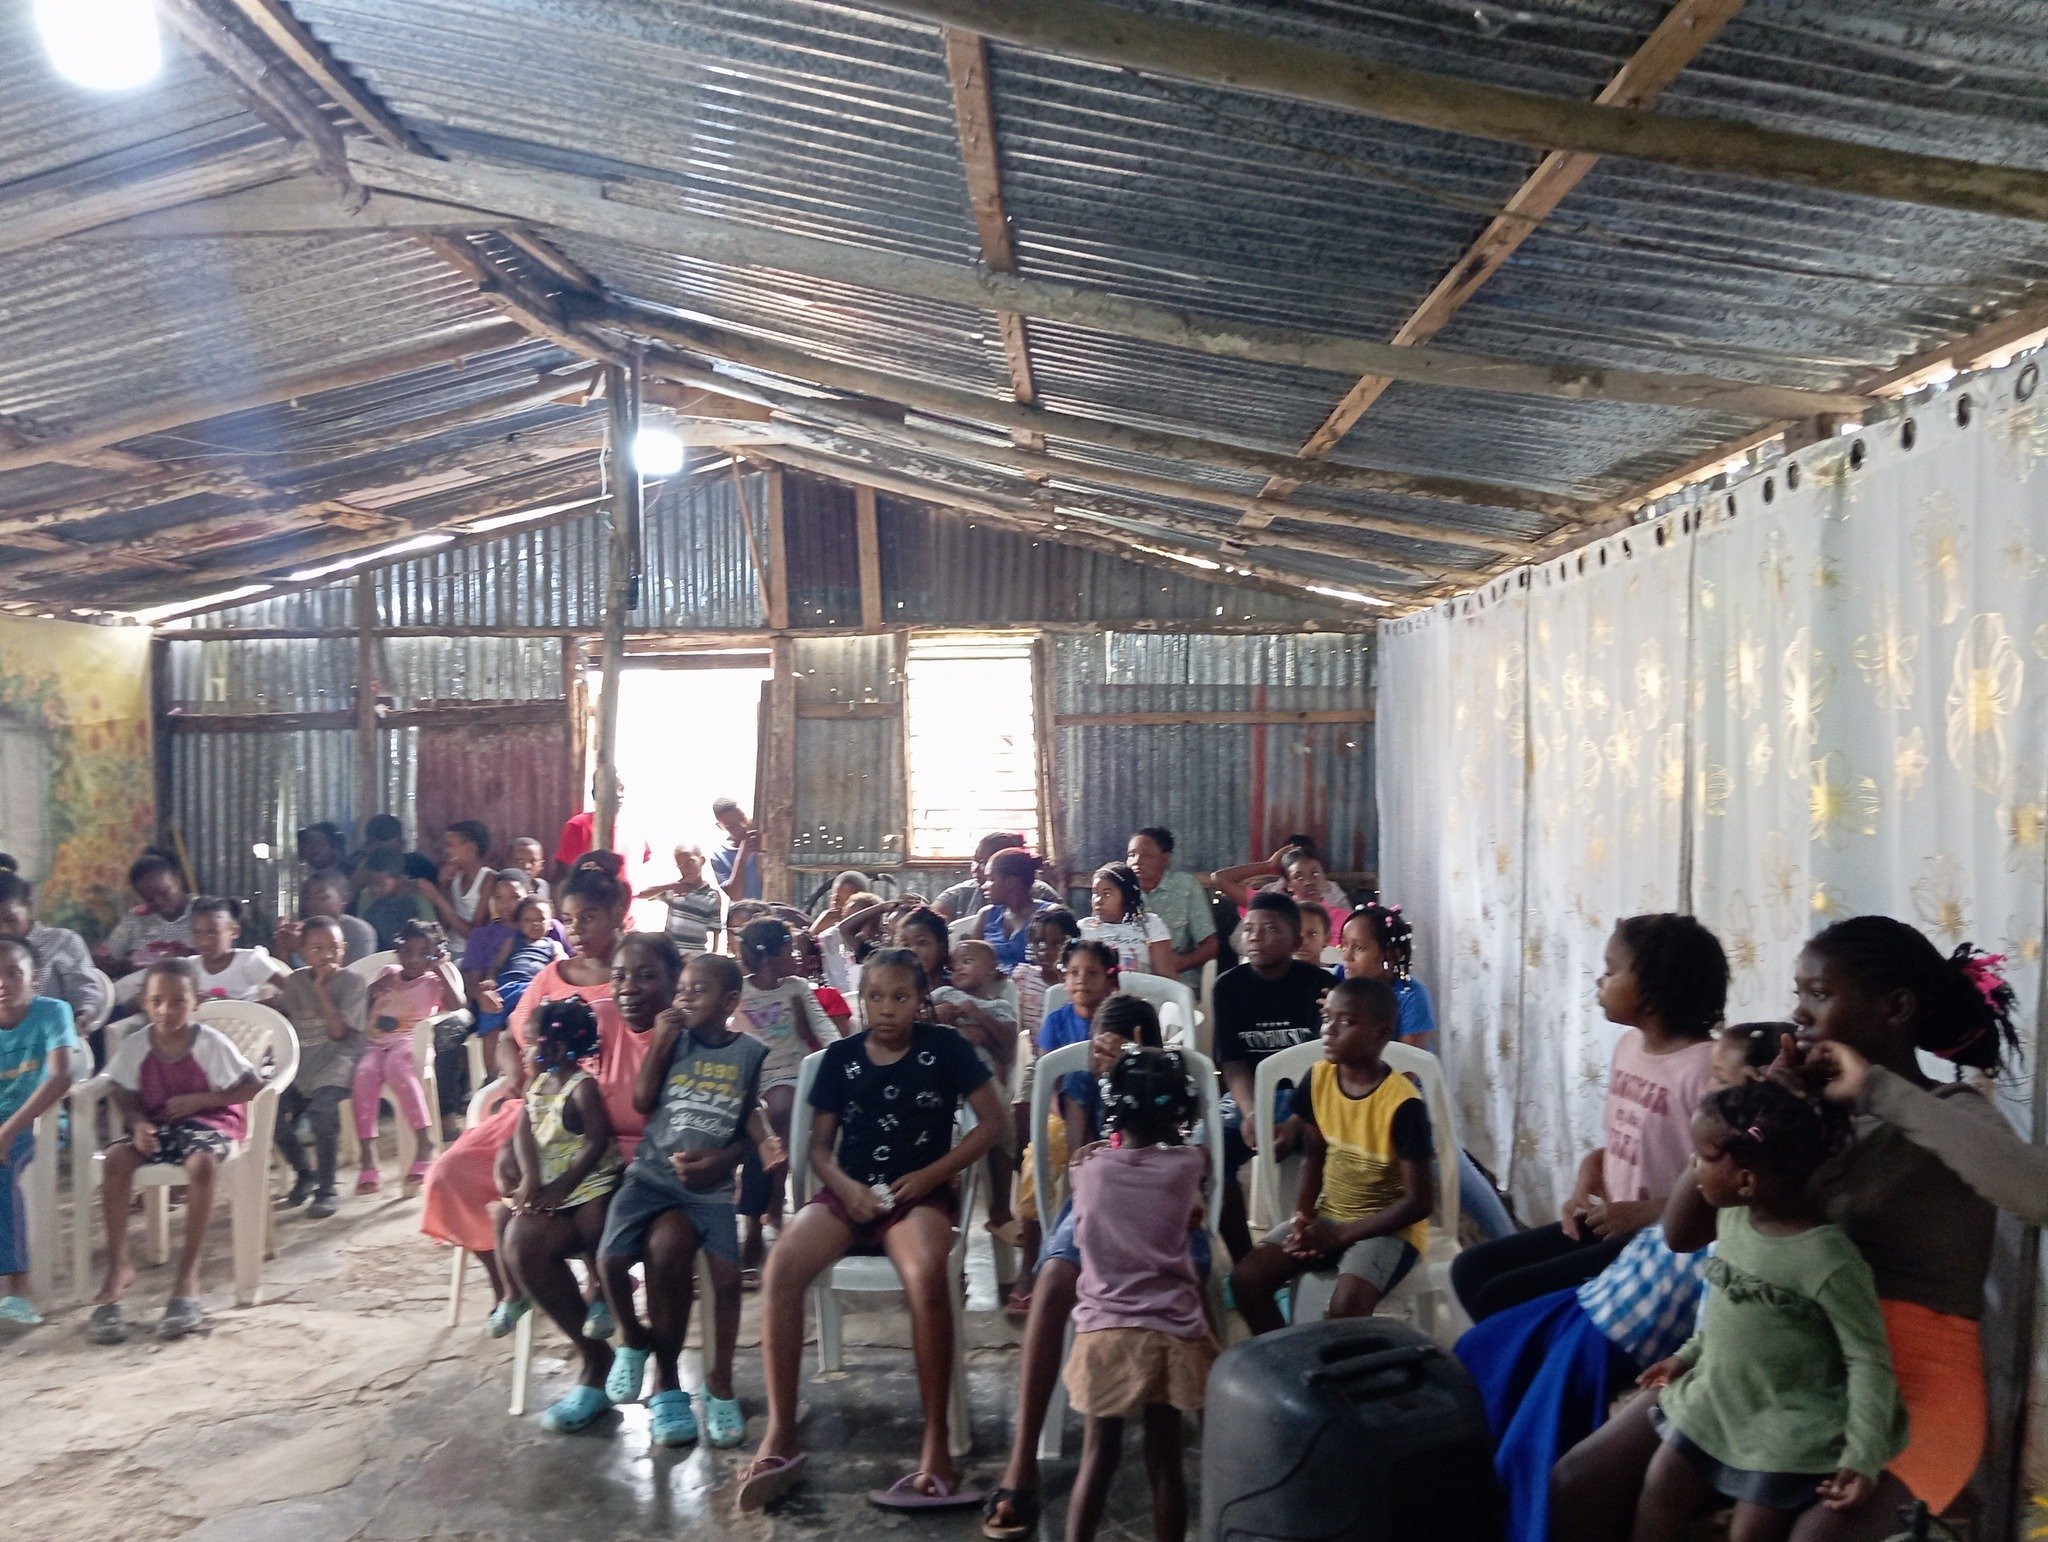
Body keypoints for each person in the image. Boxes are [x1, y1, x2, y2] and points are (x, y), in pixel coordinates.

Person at [1553, 919, 2048, 1542]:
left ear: (1896, 1008)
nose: (1798, 1014)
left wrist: (1877, 1091)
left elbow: (2036, 1195)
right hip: (1776, 1364)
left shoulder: (1950, 1111)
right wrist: (1745, 1117)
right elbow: (1682, 1234)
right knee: (1578, 1481)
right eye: (1799, 994)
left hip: (1911, 1384)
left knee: (1814, 1536)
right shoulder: (1798, 1116)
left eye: (1819, 993)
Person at [1458, 1023, 1779, 1542]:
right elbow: (1663, 1233)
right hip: (1598, 1299)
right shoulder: (1710, 1168)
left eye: (1722, 1080)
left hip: (1613, 1334)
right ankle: (1461, 1481)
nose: (1710, 1089)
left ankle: (1509, 1519)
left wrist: (1686, 1360)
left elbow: (1716, 1308)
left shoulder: (1743, 1202)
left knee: (1531, 1447)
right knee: (1481, 1348)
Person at [737, 947, 1005, 1513]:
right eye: (875, 997)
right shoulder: (841, 1057)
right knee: (781, 1268)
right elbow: (819, 1147)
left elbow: (993, 1123)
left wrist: (930, 1175)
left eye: (900, 997)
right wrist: (845, 1186)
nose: (886, 1009)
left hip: (919, 1196)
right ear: (861, 1000)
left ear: (921, 1000)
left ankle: (936, 1443)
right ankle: (781, 1435)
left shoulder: (948, 1049)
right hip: (848, 1193)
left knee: (926, 1277)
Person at [1632, 1080, 1904, 1539]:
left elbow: (1868, 1359)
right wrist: (1687, 1355)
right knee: (1660, 1486)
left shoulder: (1827, 1260)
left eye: (1702, 1158)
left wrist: (1862, 1456)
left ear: (1745, 1180)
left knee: (1749, 1533)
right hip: (1717, 1400)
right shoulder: (1733, 1218)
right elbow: (1732, 1310)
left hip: (1786, 1426)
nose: (1694, 1167)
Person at [1452, 913, 1727, 1322]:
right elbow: (1623, 1145)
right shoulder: (1629, 1047)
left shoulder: (1706, 1070)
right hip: (1616, 1223)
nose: (1600, 981)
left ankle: (1537, 1353)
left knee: (1502, 1296)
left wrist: (1642, 1214)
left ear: (1653, 990)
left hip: (1663, 1245)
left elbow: (1720, 1189)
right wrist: (1587, 1178)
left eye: (1611, 972)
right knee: (1470, 1270)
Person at [981, 995, 1184, 1541]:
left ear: (1139, 1040)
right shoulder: (1087, 1081)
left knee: (1182, 1270)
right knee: (1052, 1281)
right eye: (1095, 1044)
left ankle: (1205, 1425)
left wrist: (1138, 1072)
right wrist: (1103, 1089)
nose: (1099, 1055)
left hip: (1164, 1201)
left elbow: (1190, 1161)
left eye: (1109, 1045)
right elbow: (1077, 1165)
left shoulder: (1173, 1078)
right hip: (1098, 1194)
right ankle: (1021, 1465)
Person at [418, 869, 643, 1313]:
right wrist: (515, 1075)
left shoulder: (637, 978)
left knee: (589, 1196)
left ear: (617, 913)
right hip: (540, 1113)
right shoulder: (551, 977)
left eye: (589, 918)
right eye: (569, 920)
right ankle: (509, 1285)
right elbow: (510, 1036)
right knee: (449, 1175)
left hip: (608, 1126)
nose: (577, 931)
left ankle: (599, 1285)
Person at [599, 953, 773, 1448]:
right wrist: (660, 1043)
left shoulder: (749, 1053)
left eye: (699, 991)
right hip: (650, 1176)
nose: (685, 999)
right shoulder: (672, 1042)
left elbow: (748, 1115)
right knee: (610, 1259)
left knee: (728, 1280)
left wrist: (735, 1155)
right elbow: (642, 1101)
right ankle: (635, 1341)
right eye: (682, 991)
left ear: (730, 1002)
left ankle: (720, 1384)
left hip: (709, 1191)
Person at [1059, 1046, 1217, 1542]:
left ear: (1114, 1109)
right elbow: (1197, 1170)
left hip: (1105, 1333)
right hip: (1170, 1332)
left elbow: (1082, 1224)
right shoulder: (1187, 1167)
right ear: (1178, 1112)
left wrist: (1094, 1150)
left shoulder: (1089, 1171)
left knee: (1097, 1458)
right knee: (1165, 1461)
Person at [1230, 976, 1434, 1333]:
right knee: (1246, 1280)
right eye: (1327, 1018)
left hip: (1388, 1230)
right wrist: (1303, 1219)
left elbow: (1419, 1203)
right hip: (1330, 1214)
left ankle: (1347, 1367)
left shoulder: (1403, 1105)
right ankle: (1289, 1358)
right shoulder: (1318, 1079)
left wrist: (1340, 1237)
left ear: (1381, 1034)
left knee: (1346, 1308)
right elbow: (1314, 1156)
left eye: (1347, 1022)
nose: (1329, 1030)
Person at [87, 960, 260, 1344]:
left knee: (201, 1166)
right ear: (145, 1004)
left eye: (178, 1001)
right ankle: (118, 1266)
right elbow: (122, 1091)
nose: (167, 1010)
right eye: (157, 1001)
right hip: (160, 1126)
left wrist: (203, 1099)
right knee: (115, 1160)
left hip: (212, 1122)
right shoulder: (136, 1044)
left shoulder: (209, 1044)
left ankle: (187, 1276)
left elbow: (252, 1085)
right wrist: (137, 1125)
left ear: (195, 1001)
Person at [1340, 902, 1516, 1242]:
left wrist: (1373, 1108)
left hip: (1405, 1099)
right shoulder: (1339, 981)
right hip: (1350, 1094)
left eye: (1358, 948)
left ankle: (1507, 1239)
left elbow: (1408, 1068)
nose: (1346, 955)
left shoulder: (1410, 995)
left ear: (1390, 955)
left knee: (1448, 1161)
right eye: (1344, 945)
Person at [492, 996, 626, 1432]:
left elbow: (596, 1142)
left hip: (586, 1179)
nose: (524, 1052)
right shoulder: (537, 1085)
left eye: (530, 1044)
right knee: (510, 1228)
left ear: (556, 1046)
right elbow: (524, 1132)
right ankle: (521, 1300)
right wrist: (531, 1178)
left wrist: (564, 1186)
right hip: (550, 1179)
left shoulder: (581, 1087)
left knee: (595, 1224)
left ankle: (601, 1296)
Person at [1211, 891, 1336, 1261]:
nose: (1255, 937)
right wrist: (1251, 1113)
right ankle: (1245, 1261)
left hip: (1312, 1100)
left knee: (1344, 1153)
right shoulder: (1228, 987)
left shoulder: (1321, 987)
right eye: (1249, 929)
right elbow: (1233, 1063)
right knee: (1206, 1153)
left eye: (1268, 929)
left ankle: (1311, 1250)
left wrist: (1297, 1121)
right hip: (1249, 1098)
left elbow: (1328, 1066)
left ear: (1295, 940)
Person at [1006, 937, 1119, 1319]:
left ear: (1108, 979)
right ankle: (1029, 1266)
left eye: (1091, 973)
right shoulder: (1057, 1020)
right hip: (1063, 1114)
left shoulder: (1118, 1018)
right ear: (1063, 978)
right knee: (1036, 1161)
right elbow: (1048, 1082)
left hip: (1114, 1114)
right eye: (1073, 973)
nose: (1081, 980)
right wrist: (1067, 1117)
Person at [733, 917, 837, 1268]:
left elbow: (824, 1029)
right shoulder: (737, 991)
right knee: (762, 1115)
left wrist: (842, 1053)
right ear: (768, 958)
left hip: (792, 1075)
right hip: (750, 1079)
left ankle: (756, 1221)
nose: (797, 957)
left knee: (776, 1108)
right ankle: (771, 1197)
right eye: (790, 950)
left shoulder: (797, 988)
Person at [0, 936, 82, 1327]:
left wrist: (8, 1130)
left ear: (34, 977)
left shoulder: (52, 1012)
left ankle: (19, 1289)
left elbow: (61, 1077)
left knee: (2, 1169)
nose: (2, 983)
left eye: (12, 973)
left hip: (38, 1124)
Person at [272, 916, 369, 1220]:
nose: (327, 955)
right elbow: (284, 1017)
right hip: (301, 1064)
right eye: (316, 949)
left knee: (322, 1113)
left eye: (334, 948)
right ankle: (304, 1172)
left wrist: (323, 991)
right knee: (269, 1111)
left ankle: (327, 1188)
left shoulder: (353, 983)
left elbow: (339, 1033)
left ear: (344, 949)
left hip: (338, 1061)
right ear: (302, 951)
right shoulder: (295, 982)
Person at [356, 920, 461, 1197]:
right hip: (375, 1042)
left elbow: (457, 1005)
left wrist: (440, 967)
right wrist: (375, 988)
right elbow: (362, 1005)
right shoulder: (388, 973)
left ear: (434, 954)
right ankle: (368, 1155)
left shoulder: (433, 981)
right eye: (408, 952)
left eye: (423, 953)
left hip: (410, 1042)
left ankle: (425, 1142)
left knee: (397, 1069)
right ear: (398, 950)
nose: (414, 959)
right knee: (363, 1074)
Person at [931, 936, 1021, 1243]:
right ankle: (945, 1211)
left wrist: (980, 1016)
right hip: (940, 1076)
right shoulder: (943, 994)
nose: (958, 968)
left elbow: (1008, 1047)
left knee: (1003, 1124)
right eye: (954, 963)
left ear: (991, 969)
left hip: (981, 1079)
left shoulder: (999, 1005)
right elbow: (923, 1020)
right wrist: (950, 1015)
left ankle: (1000, 1211)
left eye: (967, 961)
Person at [114, 896, 286, 1011]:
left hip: (245, 1036)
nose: (203, 941)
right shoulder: (187, 967)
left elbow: (294, 990)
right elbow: (125, 989)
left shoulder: (249, 960)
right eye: (196, 933)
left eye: (212, 933)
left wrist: (236, 1007)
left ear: (234, 931)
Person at [0, 862, 109, 1032]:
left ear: (28, 905)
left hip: (55, 1034)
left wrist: (83, 1015)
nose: (3, 930)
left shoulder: (62, 941)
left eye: (11, 920)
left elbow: (85, 988)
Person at [1125, 827, 1217, 993]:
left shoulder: (1186, 887)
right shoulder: (1120, 889)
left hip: (1176, 980)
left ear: (1165, 859)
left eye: (1146, 855)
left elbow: (1211, 946)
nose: (1136, 861)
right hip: (1128, 980)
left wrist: (1179, 963)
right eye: (1131, 855)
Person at [96, 850, 195, 973]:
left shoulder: (204, 912)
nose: (158, 902)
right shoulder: (135, 919)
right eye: (149, 899)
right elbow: (104, 961)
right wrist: (129, 965)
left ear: (177, 880)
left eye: (164, 892)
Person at [553, 776, 654, 890]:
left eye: (622, 789)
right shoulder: (579, 825)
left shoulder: (635, 828)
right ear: (595, 794)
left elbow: (640, 872)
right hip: (592, 899)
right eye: (611, 789)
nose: (619, 794)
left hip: (628, 900)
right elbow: (564, 876)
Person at [934, 833, 1062, 922]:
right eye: (974, 861)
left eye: (982, 863)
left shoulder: (1044, 896)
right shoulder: (965, 893)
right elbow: (935, 912)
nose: (974, 869)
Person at [1209, 837, 1350, 917]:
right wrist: (1268, 865)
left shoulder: (1342, 917)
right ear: (1288, 885)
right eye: (1299, 877)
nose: (1308, 882)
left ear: (1324, 879)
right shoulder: (1274, 908)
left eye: (1315, 873)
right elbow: (1219, 878)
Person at [1077, 862, 1175, 977]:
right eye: (1095, 893)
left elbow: (1165, 976)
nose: (1098, 900)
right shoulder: (1083, 928)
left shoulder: (1150, 925)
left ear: (1127, 896)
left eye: (1107, 894)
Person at [973, 848, 1054, 973]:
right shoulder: (986, 915)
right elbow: (971, 957)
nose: (984, 886)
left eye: (991, 879)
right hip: (991, 985)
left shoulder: (1049, 915)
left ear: (1011, 882)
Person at [637, 843, 727, 956]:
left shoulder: (711, 896)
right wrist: (669, 886)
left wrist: (713, 954)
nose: (686, 869)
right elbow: (642, 895)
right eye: (681, 865)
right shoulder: (674, 890)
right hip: (671, 954)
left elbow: (716, 930)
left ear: (702, 860)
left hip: (695, 956)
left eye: (690, 862)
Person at [420, 819, 493, 952]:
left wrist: (436, 897)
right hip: (449, 950)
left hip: (473, 954)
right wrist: (443, 885)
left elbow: (474, 935)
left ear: (471, 848)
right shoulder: (454, 877)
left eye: (450, 845)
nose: (445, 850)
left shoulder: (488, 879)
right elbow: (444, 927)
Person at [274, 873, 377, 967]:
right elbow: (285, 975)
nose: (312, 903)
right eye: (308, 898)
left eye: (322, 897)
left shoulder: (359, 931)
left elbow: (354, 975)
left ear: (344, 898)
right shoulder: (300, 930)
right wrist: (283, 948)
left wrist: (303, 948)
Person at [353, 847, 435, 951]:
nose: (374, 888)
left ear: (398, 878)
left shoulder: (418, 900)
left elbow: (431, 934)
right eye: (370, 882)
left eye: (380, 883)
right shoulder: (367, 898)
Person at [709, 797, 761, 902]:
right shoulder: (719, 856)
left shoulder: (760, 837)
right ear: (721, 826)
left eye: (742, 819)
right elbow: (735, 895)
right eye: (732, 826)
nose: (742, 826)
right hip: (747, 911)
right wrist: (742, 855)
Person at [507, 836, 552, 908]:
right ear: (509, 863)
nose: (526, 866)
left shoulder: (543, 887)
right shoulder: (502, 887)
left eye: (532, 861)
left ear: (541, 864)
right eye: (519, 861)